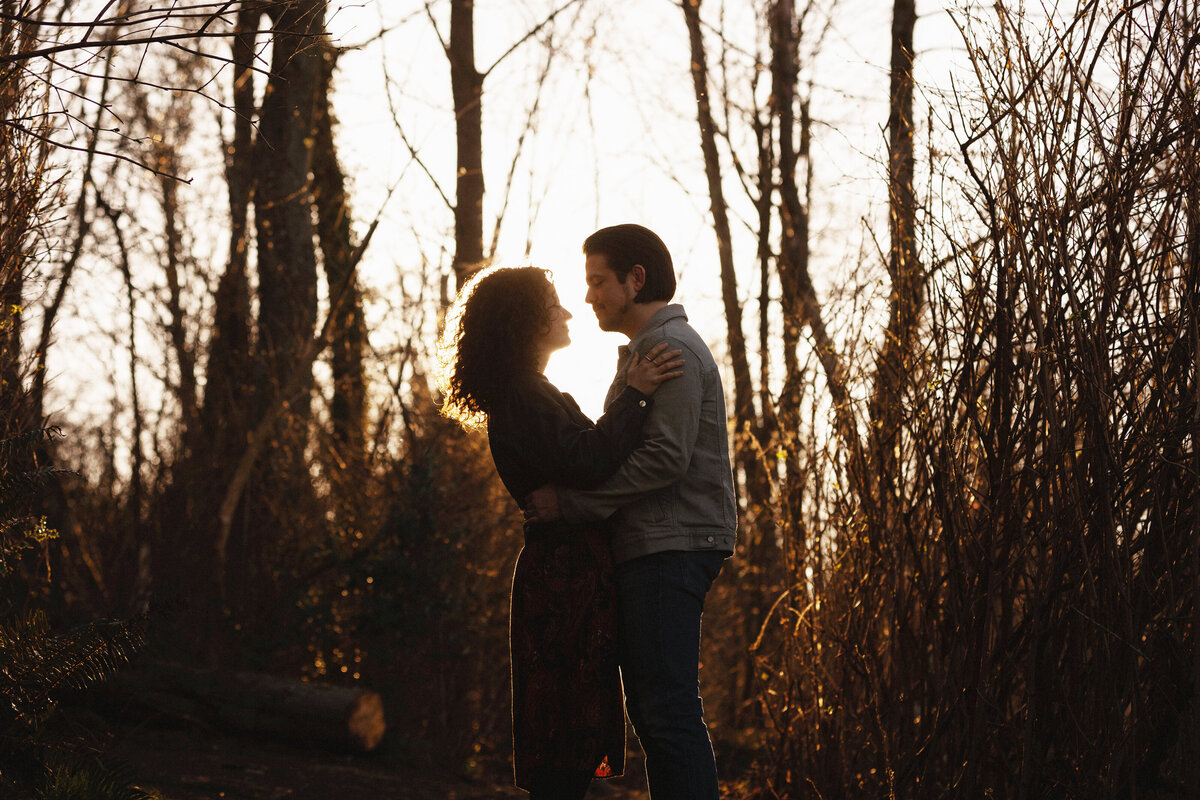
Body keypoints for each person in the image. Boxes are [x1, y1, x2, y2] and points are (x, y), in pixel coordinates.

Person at [438, 265, 683, 800]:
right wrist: (636, 394)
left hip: (567, 568)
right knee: (564, 728)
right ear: (524, 321)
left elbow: (585, 458)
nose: (570, 312)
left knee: (570, 724)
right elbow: (588, 460)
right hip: (561, 577)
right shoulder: (522, 393)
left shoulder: (530, 391)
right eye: (554, 307)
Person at [525, 224, 737, 800]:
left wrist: (573, 506)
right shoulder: (648, 352)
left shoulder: (670, 350)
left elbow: (665, 458)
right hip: (654, 545)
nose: (589, 295)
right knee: (656, 711)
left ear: (635, 279)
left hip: (671, 547)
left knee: (667, 711)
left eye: (598, 281)